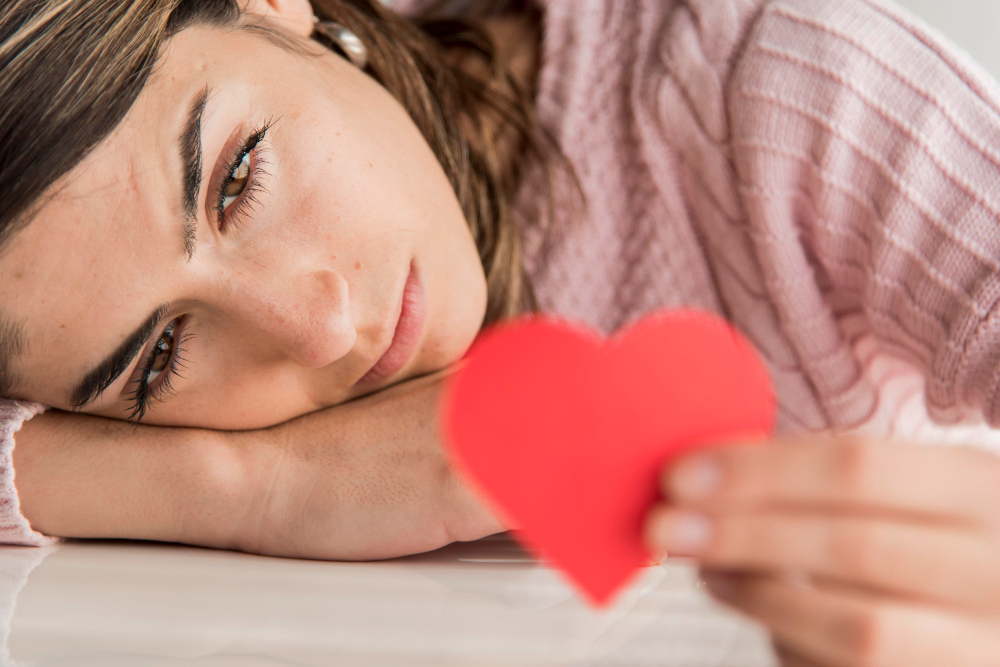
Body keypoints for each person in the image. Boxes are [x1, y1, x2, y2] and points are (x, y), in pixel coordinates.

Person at [1, 0, 999, 664]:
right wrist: (259, 489)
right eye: (162, 354)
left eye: (238, 179)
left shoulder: (776, 92)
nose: (317, 327)